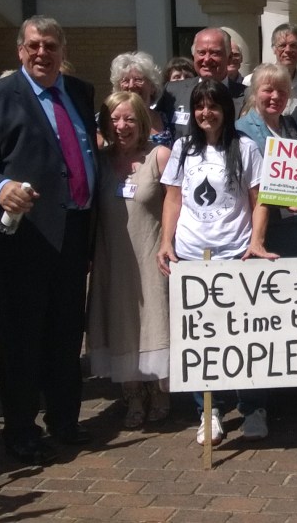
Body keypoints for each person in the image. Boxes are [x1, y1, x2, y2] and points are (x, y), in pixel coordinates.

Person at [0, 15, 98, 466]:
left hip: (75, 232)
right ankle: (20, 430)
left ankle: (64, 419)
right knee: (21, 339)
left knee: (65, 332)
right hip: (23, 238)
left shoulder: (79, 92)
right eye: (34, 45)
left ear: (62, 49)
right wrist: (1, 189)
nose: (43, 53)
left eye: (51, 45)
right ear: (20, 50)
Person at [157, 79, 273, 444]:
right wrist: (166, 241)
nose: (206, 113)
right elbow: (173, 199)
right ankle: (209, 409)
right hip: (192, 256)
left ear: (225, 109)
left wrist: (256, 242)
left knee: (243, 335)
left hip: (235, 254)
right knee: (201, 339)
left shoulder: (245, 147)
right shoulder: (182, 148)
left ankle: (252, 405)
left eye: (213, 106)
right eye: (199, 106)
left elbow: (260, 200)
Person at [88, 91, 173, 428]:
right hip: (112, 256)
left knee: (155, 319)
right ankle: (133, 396)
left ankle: (160, 392)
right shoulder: (98, 159)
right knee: (121, 322)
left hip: (149, 252)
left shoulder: (160, 156)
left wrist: (168, 243)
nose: (121, 126)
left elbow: (175, 204)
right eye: (114, 119)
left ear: (142, 122)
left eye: (129, 119)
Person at [236, 63, 297, 258]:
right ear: (254, 92)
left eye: (282, 91)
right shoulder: (240, 130)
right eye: (268, 90)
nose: (276, 97)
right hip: (261, 229)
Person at [158, 28, 247, 140]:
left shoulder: (248, 96)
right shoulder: (172, 92)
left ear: (229, 59)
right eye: (201, 53)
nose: (207, 59)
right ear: (193, 56)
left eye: (215, 53)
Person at [245, 24, 297, 111]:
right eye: (282, 45)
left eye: (293, 45)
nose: (288, 50)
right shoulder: (252, 81)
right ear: (274, 49)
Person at [109, 51, 172, 147]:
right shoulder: (106, 119)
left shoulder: (167, 119)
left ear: (152, 87)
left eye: (138, 80)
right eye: (125, 80)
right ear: (118, 87)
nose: (131, 86)